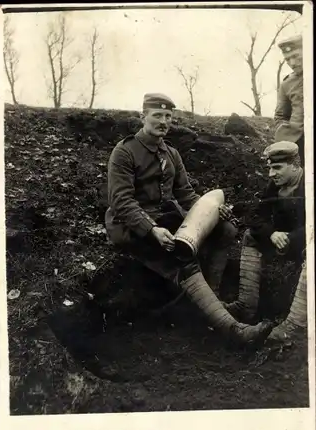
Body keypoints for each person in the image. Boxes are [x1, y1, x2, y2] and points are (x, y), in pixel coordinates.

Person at [105, 92, 273, 345]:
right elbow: (122, 202)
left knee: (225, 229)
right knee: (182, 253)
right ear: (143, 117)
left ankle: (213, 305)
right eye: (157, 115)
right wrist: (152, 229)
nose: (163, 121)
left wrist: (213, 211)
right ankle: (232, 329)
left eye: (168, 116)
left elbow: (185, 194)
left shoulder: (171, 153)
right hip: (131, 225)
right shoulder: (125, 152)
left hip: (166, 218)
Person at [225, 141, 307, 342]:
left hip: (304, 241)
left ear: (296, 165)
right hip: (284, 242)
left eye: (277, 167)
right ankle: (246, 305)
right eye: (269, 168)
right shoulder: (275, 185)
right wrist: (271, 233)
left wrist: (292, 238)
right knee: (250, 236)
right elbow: (255, 215)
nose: (271, 174)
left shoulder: (309, 183)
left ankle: (296, 324)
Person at [274, 35, 304, 167]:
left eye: (297, 57)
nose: (292, 63)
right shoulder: (287, 84)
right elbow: (280, 116)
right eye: (287, 59)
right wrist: (288, 138)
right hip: (299, 142)